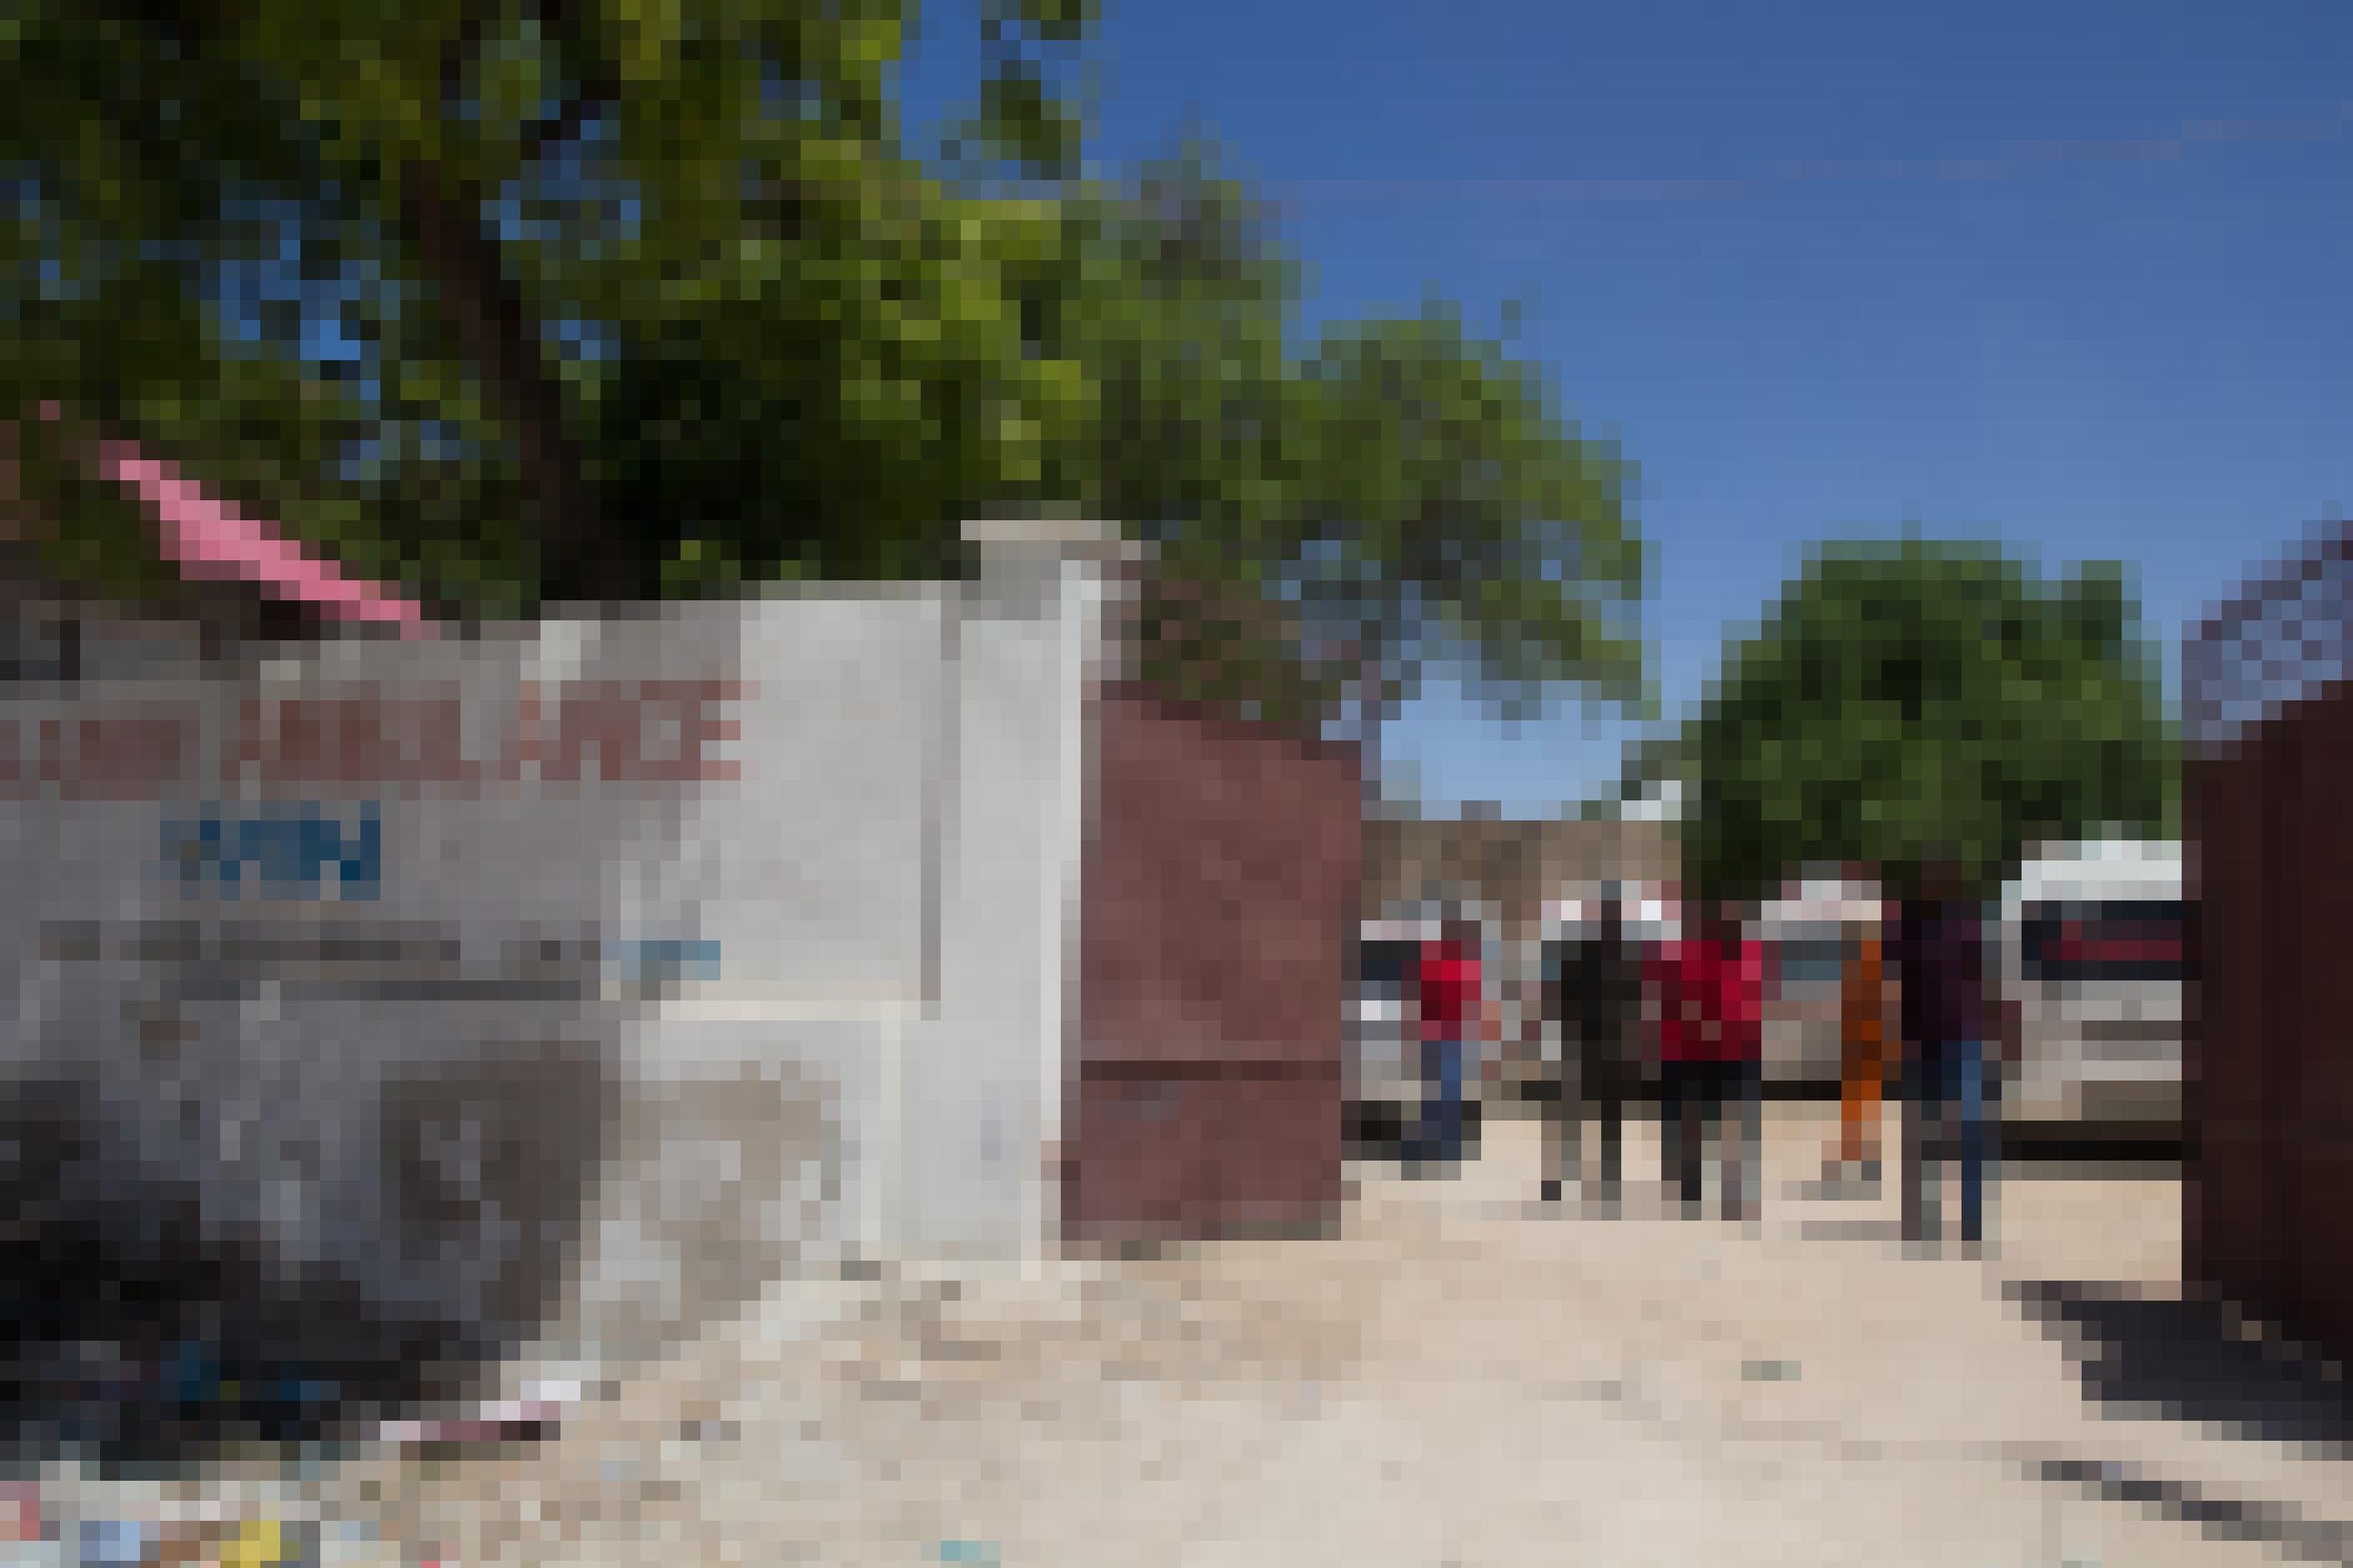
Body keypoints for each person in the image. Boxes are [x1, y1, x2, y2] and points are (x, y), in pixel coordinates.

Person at [1888, 857, 2018, 1252]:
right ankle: (1922, 1218)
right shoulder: (1908, 932)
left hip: (1964, 1041)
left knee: (1971, 1132)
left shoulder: (1969, 928)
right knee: (1921, 1136)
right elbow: (1895, 988)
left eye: (1940, 877)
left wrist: (2001, 1031)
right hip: (1921, 1044)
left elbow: (1989, 980)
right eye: (1928, 877)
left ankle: (1972, 1220)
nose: (1934, 884)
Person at [1651, 898, 1766, 1221]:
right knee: (1694, 1124)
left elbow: (1749, 1001)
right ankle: (1696, 1187)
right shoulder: (1685, 954)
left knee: (1730, 1125)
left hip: (1729, 1050)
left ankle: (1729, 1190)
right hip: (1692, 1050)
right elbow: (1671, 1000)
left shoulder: (1746, 954)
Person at [1541, 888, 1644, 1209]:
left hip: (1581, 1041)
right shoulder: (1626, 959)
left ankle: (1559, 1180)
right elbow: (1633, 1005)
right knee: (1603, 1115)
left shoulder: (1576, 955)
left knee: (1572, 1113)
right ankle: (1605, 1181)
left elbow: (1559, 1000)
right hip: (1606, 1042)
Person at [1821, 870, 1895, 1196]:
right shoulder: (1871, 958)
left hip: (1863, 1035)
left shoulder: (1866, 961)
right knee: (1861, 1097)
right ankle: (1861, 1157)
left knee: (1860, 1097)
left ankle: (1860, 1157)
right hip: (1863, 1034)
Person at [1409, 913, 1488, 1174]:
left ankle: (1445, 1143)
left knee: (1443, 1088)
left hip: (1446, 1034)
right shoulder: (1464, 960)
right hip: (1447, 1033)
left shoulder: (1447, 959)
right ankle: (1448, 1141)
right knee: (1444, 1088)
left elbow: (1436, 994)